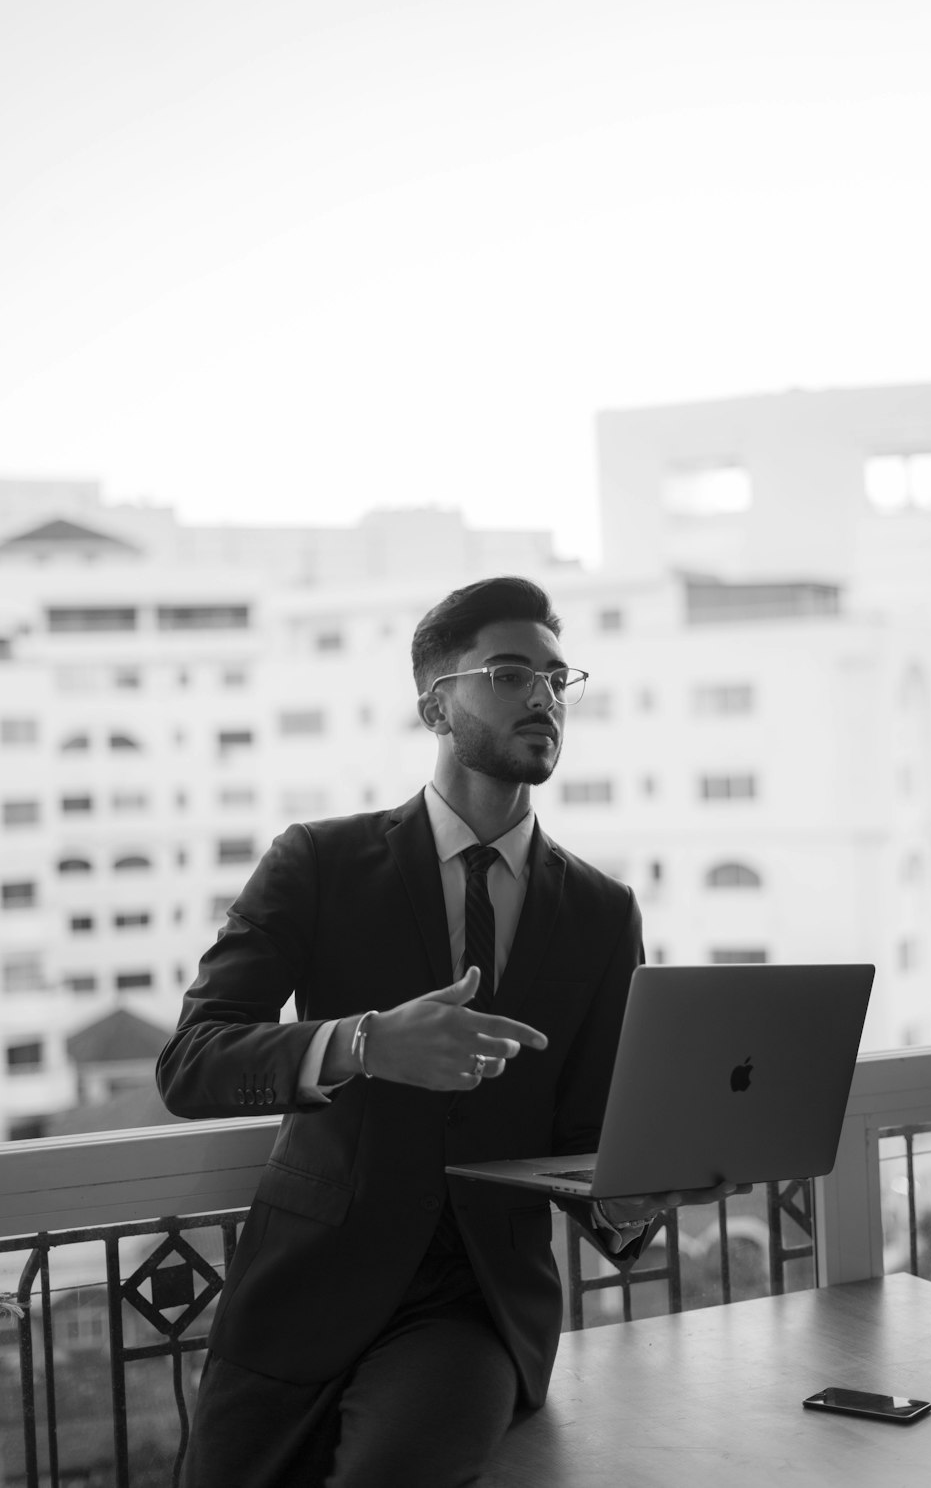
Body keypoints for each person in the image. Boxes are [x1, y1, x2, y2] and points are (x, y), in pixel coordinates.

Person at [157, 575, 736, 1487]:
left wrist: (637, 1198)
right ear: (437, 703)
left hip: (473, 1311)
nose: (544, 697)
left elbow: (587, 1133)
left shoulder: (600, 911)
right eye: (510, 673)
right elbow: (190, 1062)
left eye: (556, 677)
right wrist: (364, 1044)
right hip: (295, 1294)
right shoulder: (318, 862)